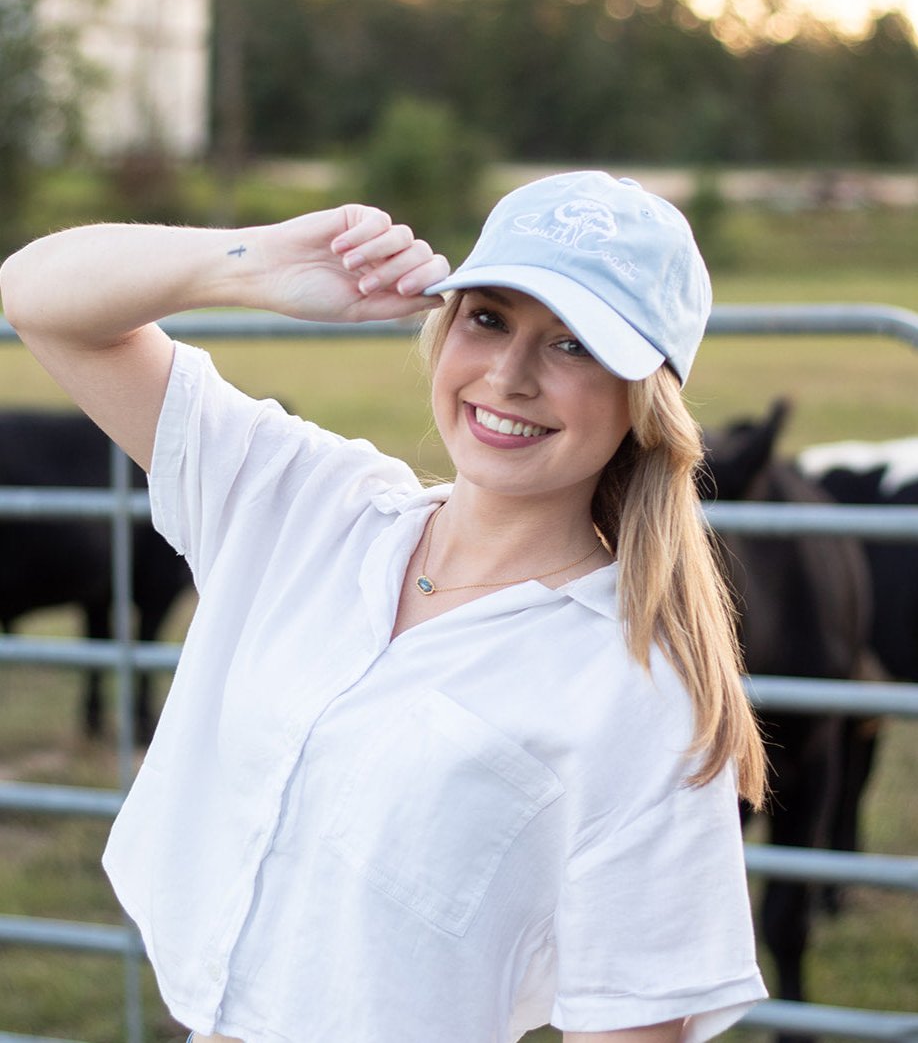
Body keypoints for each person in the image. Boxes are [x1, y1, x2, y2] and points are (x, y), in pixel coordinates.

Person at [0, 170, 767, 1043]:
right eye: (489, 319)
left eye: (575, 346)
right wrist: (253, 263)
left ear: (645, 400)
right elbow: (37, 295)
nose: (509, 376)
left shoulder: (636, 696)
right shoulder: (309, 503)